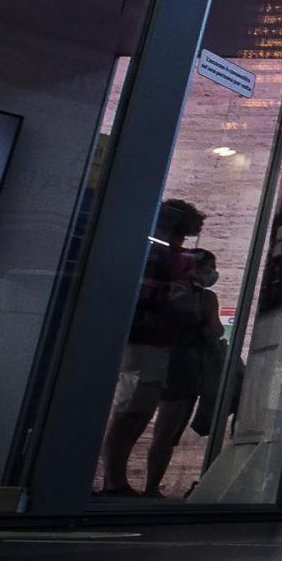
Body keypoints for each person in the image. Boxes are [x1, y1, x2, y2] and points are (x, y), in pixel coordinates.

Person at [100, 199, 218, 498]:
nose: (181, 243)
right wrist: (180, 287)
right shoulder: (155, 253)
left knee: (140, 410)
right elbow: (145, 291)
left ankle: (118, 481)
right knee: (129, 408)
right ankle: (114, 481)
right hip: (143, 338)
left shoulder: (172, 256)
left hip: (159, 341)